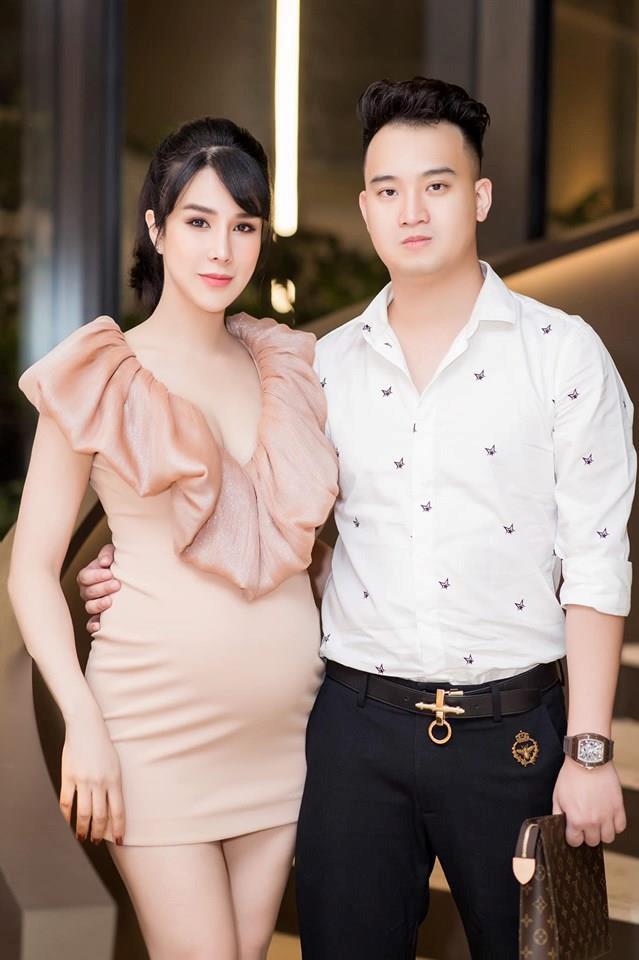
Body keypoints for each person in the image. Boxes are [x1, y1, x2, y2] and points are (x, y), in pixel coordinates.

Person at [79, 79, 635, 959]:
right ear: (367, 209)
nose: (410, 210)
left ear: (479, 197)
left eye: (436, 185)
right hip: (353, 731)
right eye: (386, 190)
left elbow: (597, 561)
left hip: (513, 736)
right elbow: (255, 514)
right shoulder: (320, 371)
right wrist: (129, 566)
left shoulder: (560, 353)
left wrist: (590, 749)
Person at [9, 116, 337, 960]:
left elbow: (311, 537)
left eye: (243, 225)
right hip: (151, 730)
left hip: (283, 733)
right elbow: (31, 571)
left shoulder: (287, 364)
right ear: (156, 229)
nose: (221, 249)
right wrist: (82, 722)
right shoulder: (99, 370)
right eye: (197, 221)